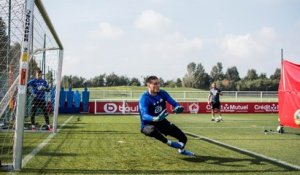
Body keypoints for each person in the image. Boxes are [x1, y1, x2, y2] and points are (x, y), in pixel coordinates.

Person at [139, 75, 194, 156]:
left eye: (158, 83)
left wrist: (177, 107)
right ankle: (169, 142)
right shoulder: (144, 98)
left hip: (161, 122)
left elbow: (173, 102)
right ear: (148, 85)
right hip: (148, 124)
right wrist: (155, 118)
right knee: (152, 130)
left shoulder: (162, 93)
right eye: (155, 84)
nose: (158, 86)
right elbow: (144, 115)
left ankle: (181, 150)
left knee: (183, 138)